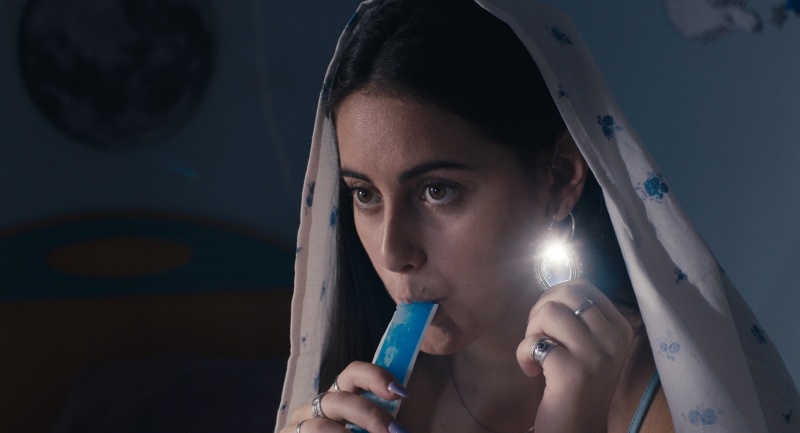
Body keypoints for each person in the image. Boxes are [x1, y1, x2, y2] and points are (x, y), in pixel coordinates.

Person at [276, 0, 800, 432]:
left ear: (559, 177)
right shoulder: (357, 404)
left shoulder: (675, 401)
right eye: (365, 195)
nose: (393, 252)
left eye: (437, 191)